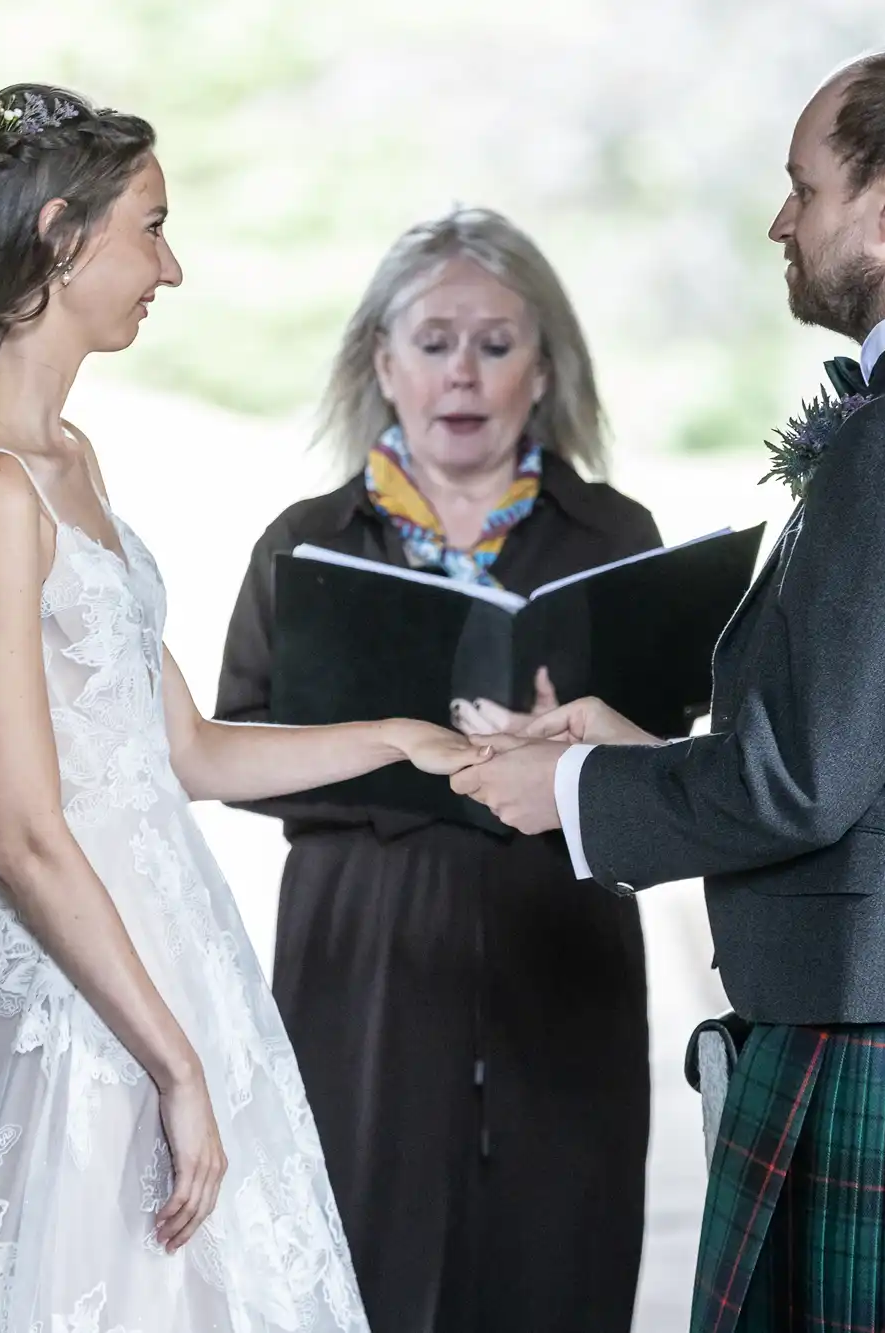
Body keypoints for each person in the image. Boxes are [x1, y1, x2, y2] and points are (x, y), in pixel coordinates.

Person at [0, 84, 476, 1333]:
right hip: (88, 994)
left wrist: (399, 739)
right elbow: (27, 830)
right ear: (60, 235)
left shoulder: (68, 460)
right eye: (151, 226)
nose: (169, 267)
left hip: (170, 943)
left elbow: (179, 751)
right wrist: (174, 1062)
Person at [455, 48, 885, 1333]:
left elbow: (802, 779)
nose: (781, 220)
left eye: (802, 187)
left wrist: (563, 786)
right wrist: (630, 744)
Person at [214, 208, 658, 1333]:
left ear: (543, 369)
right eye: (432, 340)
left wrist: (584, 752)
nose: (462, 373)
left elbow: (676, 779)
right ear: (382, 360)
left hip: (561, 956)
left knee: (559, 1264)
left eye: (496, 344)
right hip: (360, 955)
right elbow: (234, 747)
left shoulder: (613, 534)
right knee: (357, 1263)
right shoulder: (303, 544)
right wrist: (404, 755)